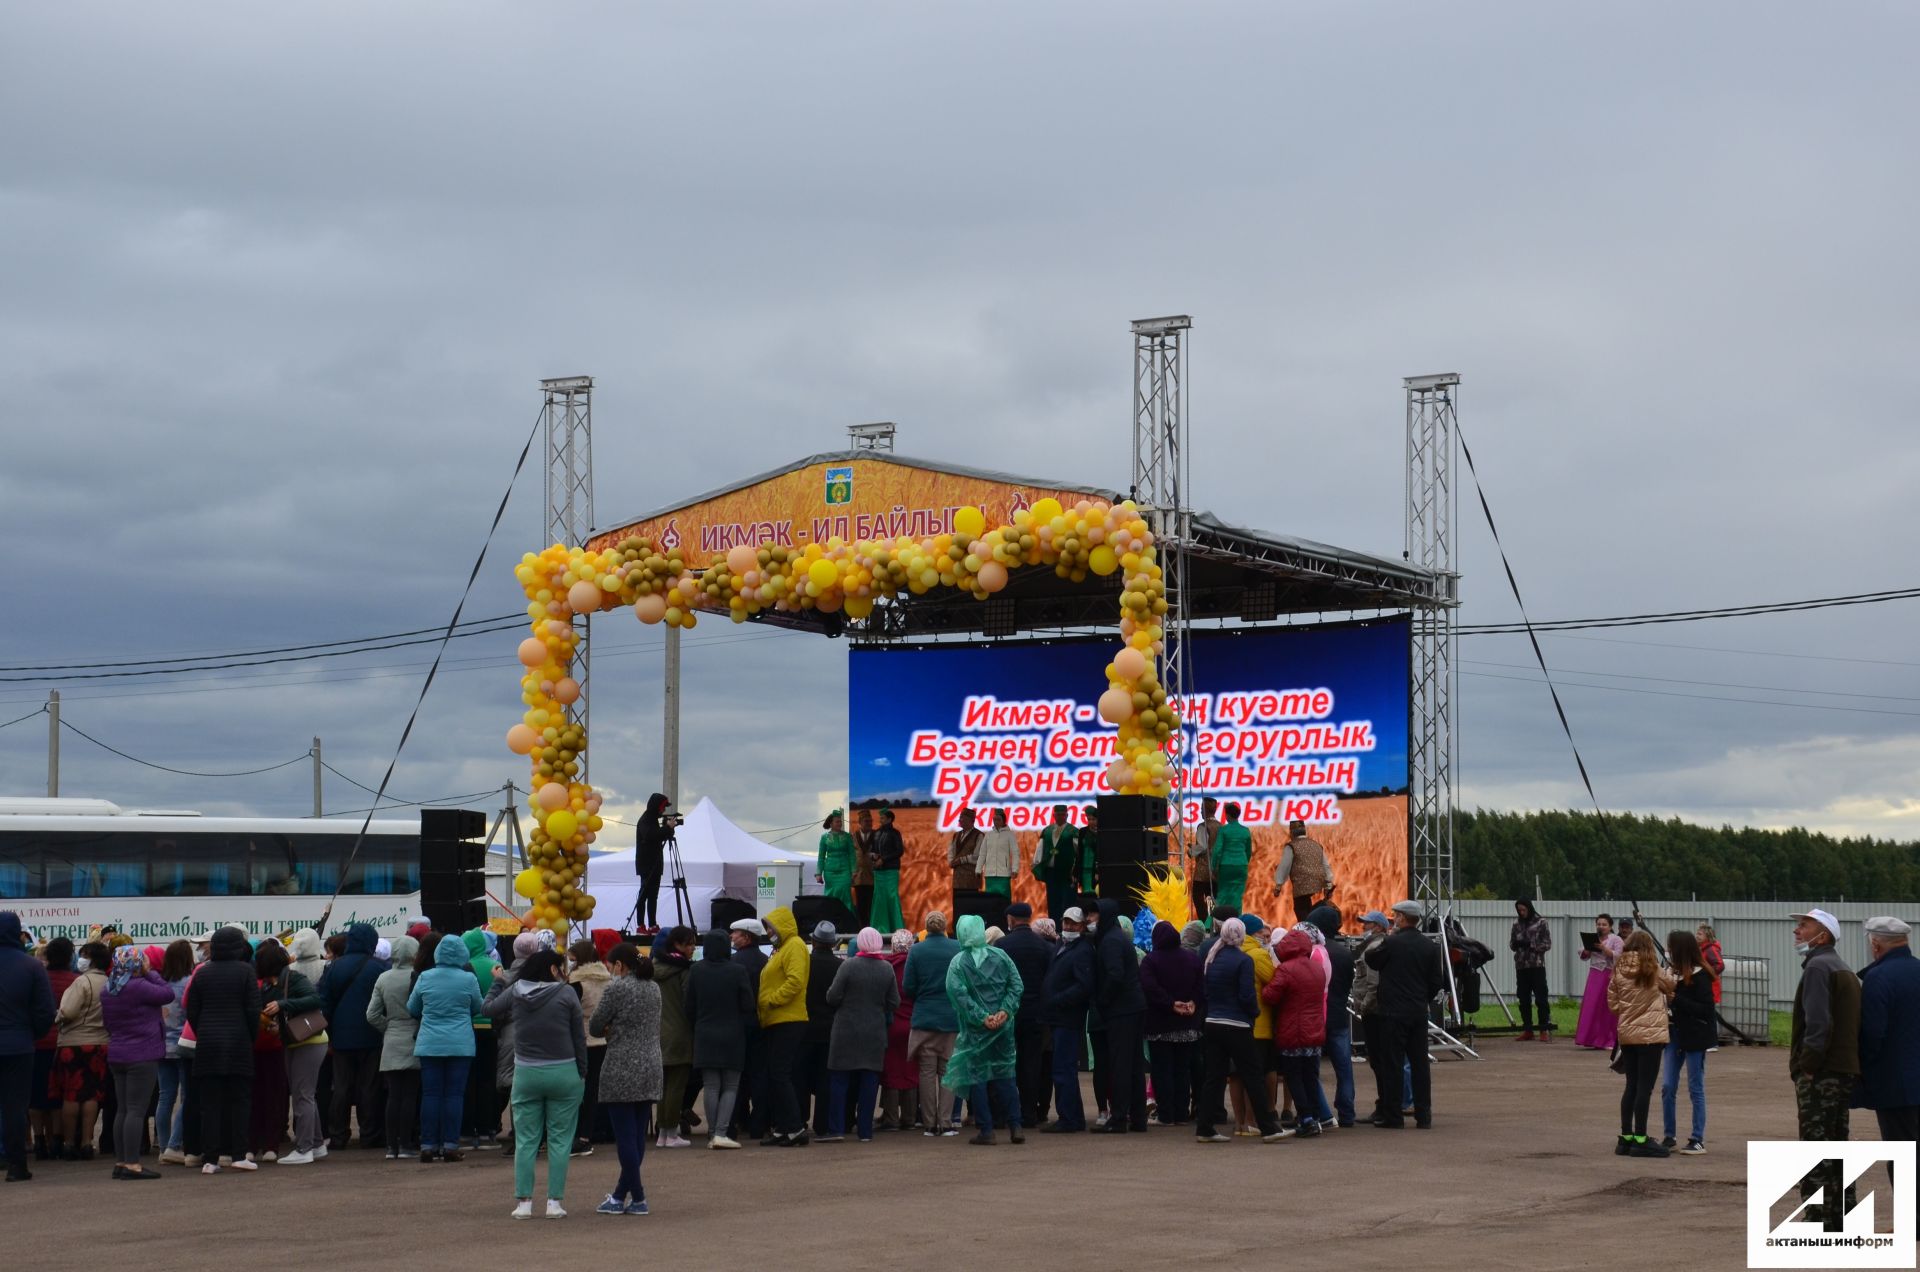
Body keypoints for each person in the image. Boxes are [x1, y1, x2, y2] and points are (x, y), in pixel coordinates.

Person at [486, 948, 589, 1219]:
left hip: (527, 1073)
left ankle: (524, 1203)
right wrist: (582, 1071)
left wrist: (498, 982)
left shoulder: (517, 990)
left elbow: (488, 1009)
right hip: (564, 1071)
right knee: (559, 1140)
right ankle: (554, 1202)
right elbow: (579, 1036)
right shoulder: (566, 993)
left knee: (526, 1140)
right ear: (554, 969)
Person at [1788, 907, 1861, 1220]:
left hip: (1822, 1072)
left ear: (1823, 934)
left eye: (1804, 925)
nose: (1797, 931)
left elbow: (1819, 1023)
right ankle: (1841, 1210)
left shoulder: (1818, 967)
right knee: (1836, 1143)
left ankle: (1817, 1215)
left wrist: (1808, 1064)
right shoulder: (1840, 967)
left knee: (1816, 1145)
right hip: (1842, 1069)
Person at [1193, 919, 1284, 1143]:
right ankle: (1268, 1128)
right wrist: (1253, 1014)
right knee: (1253, 1076)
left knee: (1214, 1077)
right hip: (1238, 1025)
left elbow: (1205, 991)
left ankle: (1204, 1127)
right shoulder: (1243, 960)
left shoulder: (1212, 958)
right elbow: (1246, 995)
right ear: (1242, 935)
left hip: (1213, 1021)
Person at [1857, 916, 1920, 1235]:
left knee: (1901, 1153)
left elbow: (1873, 1034)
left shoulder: (1879, 978)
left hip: (1896, 1085)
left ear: (1875, 943)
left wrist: (1861, 1069)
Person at [589, 942, 661, 1216]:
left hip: (621, 1064)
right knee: (637, 1135)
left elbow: (595, 1025)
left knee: (625, 1138)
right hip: (651, 1063)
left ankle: (639, 1197)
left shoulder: (617, 988)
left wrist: (610, 1027)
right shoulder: (654, 987)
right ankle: (620, 1196)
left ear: (620, 965)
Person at [941, 914, 1024, 1145]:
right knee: (1006, 1076)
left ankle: (986, 1130)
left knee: (977, 1078)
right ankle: (1015, 1126)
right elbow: (1016, 985)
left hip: (975, 1030)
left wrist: (981, 1018)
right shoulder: (1000, 956)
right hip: (1003, 1028)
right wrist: (1005, 1011)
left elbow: (957, 994)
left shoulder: (958, 962)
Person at [186, 927, 261, 1173]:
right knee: (240, 1100)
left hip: (207, 1044)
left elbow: (192, 1011)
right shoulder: (246, 971)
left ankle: (210, 1159)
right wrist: (250, 1036)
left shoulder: (202, 973)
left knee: (209, 1104)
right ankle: (238, 1154)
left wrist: (204, 1033)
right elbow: (253, 1010)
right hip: (238, 1042)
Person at [1365, 901, 1444, 1129]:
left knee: (1393, 1063)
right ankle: (1424, 1115)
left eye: (1395, 916)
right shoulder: (1429, 946)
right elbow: (1436, 981)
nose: (1394, 919)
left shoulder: (1391, 943)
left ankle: (1393, 1115)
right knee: (1420, 1064)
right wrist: (1421, 999)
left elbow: (1372, 959)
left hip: (1393, 1012)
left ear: (1401, 918)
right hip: (1418, 1012)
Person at [408, 932, 483, 1164]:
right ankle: (450, 1145)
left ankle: (428, 1145)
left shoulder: (425, 977)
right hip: (460, 1044)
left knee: (431, 1094)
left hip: (430, 1043)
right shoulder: (468, 978)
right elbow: (478, 1007)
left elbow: (412, 1008)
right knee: (454, 1095)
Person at [100, 946, 172, 1180]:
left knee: (122, 1109)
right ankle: (132, 1164)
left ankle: (121, 1161)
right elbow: (167, 993)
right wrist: (150, 972)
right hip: (142, 1053)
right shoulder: (140, 986)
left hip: (118, 1052)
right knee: (136, 1111)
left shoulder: (109, 988)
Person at [823, 927, 900, 1142]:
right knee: (869, 1081)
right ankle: (865, 1131)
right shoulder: (886, 969)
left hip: (845, 1030)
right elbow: (895, 1002)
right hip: (874, 1031)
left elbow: (833, 996)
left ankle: (837, 1128)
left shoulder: (848, 966)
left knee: (839, 1080)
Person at [318, 921, 387, 1149]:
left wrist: (327, 1033)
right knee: (369, 1087)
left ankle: (337, 1135)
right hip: (373, 1036)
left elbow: (324, 1004)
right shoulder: (380, 967)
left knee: (341, 1088)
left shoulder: (334, 968)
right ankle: (369, 1135)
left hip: (340, 1037)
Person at [1607, 928, 1675, 1157]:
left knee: (1632, 1085)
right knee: (1645, 1088)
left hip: (1627, 1035)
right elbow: (1671, 987)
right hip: (1651, 1036)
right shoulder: (1652, 968)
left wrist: (1629, 1012)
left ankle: (1625, 1138)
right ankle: (1641, 1138)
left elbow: (1613, 1004)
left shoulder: (1618, 970)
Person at [683, 928, 752, 1150]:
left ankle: (712, 1132)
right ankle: (722, 1132)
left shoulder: (697, 970)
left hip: (704, 1033)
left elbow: (688, 1006)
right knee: (731, 1086)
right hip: (733, 1034)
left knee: (710, 1086)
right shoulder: (738, 970)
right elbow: (748, 1004)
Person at [0, 913, 55, 1182]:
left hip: (17, 1039)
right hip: (19, 1045)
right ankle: (16, 1165)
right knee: (15, 1106)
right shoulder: (32, 966)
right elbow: (45, 1011)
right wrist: (31, 1034)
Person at [1261, 927, 1327, 1138]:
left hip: (1293, 1030)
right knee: (1311, 1075)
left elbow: (1270, 996)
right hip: (1314, 1029)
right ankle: (1314, 1118)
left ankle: (1306, 1118)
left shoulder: (1286, 970)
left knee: (1294, 1076)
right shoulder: (1317, 968)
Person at [755, 906, 811, 1147]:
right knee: (775, 1075)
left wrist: (771, 1000)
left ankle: (795, 1127)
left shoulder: (794, 946)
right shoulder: (781, 949)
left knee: (780, 1074)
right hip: (777, 1019)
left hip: (788, 1019)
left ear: (781, 926)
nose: (768, 932)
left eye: (770, 927)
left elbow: (795, 981)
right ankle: (783, 1128)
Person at [1091, 897, 1148, 1133]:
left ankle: (1119, 1117)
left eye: (1093, 915)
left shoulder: (1110, 942)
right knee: (1134, 1065)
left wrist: (1103, 1001)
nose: (1089, 920)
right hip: (1132, 1007)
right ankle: (1137, 1117)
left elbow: (1114, 975)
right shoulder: (1117, 938)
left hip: (1121, 1009)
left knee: (1121, 1064)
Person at [52, 939, 112, 1161]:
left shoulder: (82, 982)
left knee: (71, 1095)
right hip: (100, 1042)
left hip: (74, 1042)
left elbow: (67, 1011)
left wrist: (56, 1016)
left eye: (84, 955)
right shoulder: (110, 982)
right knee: (91, 1095)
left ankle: (69, 1143)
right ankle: (87, 1142)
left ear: (92, 959)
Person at [1140, 919, 1204, 1125]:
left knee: (1162, 1071)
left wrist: (1170, 1004)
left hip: (1160, 1025)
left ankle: (1166, 1114)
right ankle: (1181, 1114)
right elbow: (1201, 985)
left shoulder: (1151, 960)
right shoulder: (1192, 959)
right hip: (1187, 1024)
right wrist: (1193, 1003)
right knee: (1182, 1071)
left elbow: (1149, 987)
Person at [903, 910, 961, 1136]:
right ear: (945, 927)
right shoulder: (957, 948)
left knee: (926, 1072)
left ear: (927, 928)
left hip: (925, 1017)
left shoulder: (916, 950)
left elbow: (908, 987)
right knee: (948, 1072)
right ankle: (946, 1123)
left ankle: (929, 1124)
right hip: (950, 1018)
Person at [996, 902, 1052, 1128]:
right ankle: (1029, 1113)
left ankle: (1007, 1113)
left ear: (1010, 919)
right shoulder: (1044, 946)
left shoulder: (1002, 945)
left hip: (1009, 1013)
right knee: (1031, 1064)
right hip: (1036, 1013)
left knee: (1006, 1062)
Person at [1039, 908, 1095, 1133]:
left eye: (1074, 924)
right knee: (1062, 1068)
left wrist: (1059, 999)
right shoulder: (1061, 945)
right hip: (1058, 1016)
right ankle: (1072, 1116)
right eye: (1066, 922)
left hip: (1068, 1018)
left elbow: (1084, 986)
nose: (1069, 927)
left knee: (1064, 1069)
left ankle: (1069, 1119)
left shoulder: (1082, 950)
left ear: (1082, 926)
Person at [365, 934, 420, 1162]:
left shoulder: (383, 978)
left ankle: (391, 1146)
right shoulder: (418, 976)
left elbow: (371, 1014)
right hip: (415, 1037)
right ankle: (406, 1143)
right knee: (410, 1095)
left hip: (391, 1038)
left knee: (393, 1095)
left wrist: (388, 1027)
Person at [1660, 929, 1714, 1155]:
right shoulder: (1671, 973)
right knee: (1667, 1086)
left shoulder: (1701, 976)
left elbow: (1706, 1010)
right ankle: (1669, 1135)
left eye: (1671, 947)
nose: (1668, 951)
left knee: (1695, 1087)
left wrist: (1676, 999)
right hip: (1673, 1035)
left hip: (1695, 1037)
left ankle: (1697, 1138)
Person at [1306, 905, 1357, 1128]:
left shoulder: (1311, 953)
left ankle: (1321, 1112)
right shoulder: (1345, 955)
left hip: (1316, 1017)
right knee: (1344, 1069)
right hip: (1338, 1017)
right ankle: (1347, 1113)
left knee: (1312, 1068)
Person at [30, 937, 78, 1163]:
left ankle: (39, 1140)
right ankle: (57, 1140)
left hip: (37, 1042)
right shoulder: (75, 981)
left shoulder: (39, 979)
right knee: (59, 1094)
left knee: (36, 1096)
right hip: (64, 1042)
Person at [246, 940, 295, 1163]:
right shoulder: (283, 986)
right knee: (276, 1096)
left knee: (252, 1096)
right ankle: (271, 1145)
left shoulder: (252, 984)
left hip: (251, 1046)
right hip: (276, 1046)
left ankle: (250, 1144)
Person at [650, 927, 695, 1148]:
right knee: (676, 1086)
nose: (692, 948)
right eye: (688, 944)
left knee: (662, 1087)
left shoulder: (653, 969)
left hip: (657, 1033)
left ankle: (662, 1135)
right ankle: (671, 1133)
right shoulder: (684, 971)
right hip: (680, 1032)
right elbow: (689, 1003)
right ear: (676, 944)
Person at [567, 940, 612, 1156]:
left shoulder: (576, 983)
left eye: (573, 959)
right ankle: (587, 1134)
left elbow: (569, 1013)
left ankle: (576, 1134)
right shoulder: (607, 979)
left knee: (575, 1090)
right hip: (602, 1041)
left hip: (579, 1041)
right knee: (593, 1089)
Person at [727, 919, 770, 1141]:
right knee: (759, 1075)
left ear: (747, 936)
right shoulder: (766, 962)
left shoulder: (733, 963)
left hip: (737, 1025)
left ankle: (738, 1119)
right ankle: (759, 1123)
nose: (731, 936)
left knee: (736, 1076)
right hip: (761, 1024)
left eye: (735, 933)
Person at [154, 939, 194, 1165]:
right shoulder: (189, 982)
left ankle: (163, 1145)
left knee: (165, 1097)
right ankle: (174, 1144)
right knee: (186, 1098)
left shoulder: (159, 984)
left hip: (162, 1045)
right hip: (184, 1045)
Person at [801, 922, 842, 1137]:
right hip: (830, 1029)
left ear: (814, 941)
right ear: (833, 943)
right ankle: (823, 1124)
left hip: (805, 1027)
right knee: (826, 1079)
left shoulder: (805, 963)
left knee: (801, 1078)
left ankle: (799, 1120)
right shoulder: (839, 965)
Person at [462, 928, 501, 1150]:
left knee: (469, 1082)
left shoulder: (466, 968)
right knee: (488, 1082)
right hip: (492, 1029)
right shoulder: (496, 966)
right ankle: (488, 1131)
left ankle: (467, 1131)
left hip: (470, 1028)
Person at [880, 930, 919, 1131]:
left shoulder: (886, 966)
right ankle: (910, 1119)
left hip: (891, 1025)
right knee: (911, 1071)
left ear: (894, 946)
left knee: (892, 1071)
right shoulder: (916, 966)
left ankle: (891, 1118)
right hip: (913, 1024)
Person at [1573, 913, 1623, 1050]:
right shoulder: (1593, 938)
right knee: (1592, 1006)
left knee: (1606, 1007)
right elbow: (1583, 956)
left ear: (1610, 926)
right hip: (1594, 975)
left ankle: (1608, 1039)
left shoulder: (1616, 939)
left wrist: (1604, 948)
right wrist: (1588, 950)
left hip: (1609, 975)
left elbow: (1620, 956)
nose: (1601, 926)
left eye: (1604, 924)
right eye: (1599, 924)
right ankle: (1590, 1038)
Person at [1275, 819, 1334, 923]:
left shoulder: (1291, 846)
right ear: (1304, 831)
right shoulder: (1316, 845)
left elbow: (1284, 867)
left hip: (1301, 885)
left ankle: (1306, 931)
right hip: (1318, 884)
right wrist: (1328, 885)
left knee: (1300, 909)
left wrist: (1278, 885)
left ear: (1291, 832)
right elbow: (1326, 866)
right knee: (1310, 908)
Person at [1510, 900, 1553, 1042]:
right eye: (1519, 910)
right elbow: (1512, 944)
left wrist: (1531, 944)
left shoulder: (1541, 922)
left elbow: (1547, 944)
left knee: (1541, 998)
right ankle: (1527, 1028)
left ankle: (1543, 1028)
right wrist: (1516, 944)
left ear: (1529, 908)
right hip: (1521, 965)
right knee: (1523, 999)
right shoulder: (1516, 924)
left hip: (1536, 965)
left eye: (1523, 910)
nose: (1521, 912)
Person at [634, 793, 674, 934]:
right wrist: (667, 828)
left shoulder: (651, 820)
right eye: (663, 807)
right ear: (657, 806)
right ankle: (640, 925)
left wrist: (668, 829)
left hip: (654, 864)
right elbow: (651, 836)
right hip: (647, 865)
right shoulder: (645, 820)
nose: (663, 811)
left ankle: (652, 924)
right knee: (644, 894)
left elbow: (659, 836)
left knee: (653, 895)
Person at [1033, 805, 1080, 921]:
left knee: (1068, 901)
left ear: (1067, 815)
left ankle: (1070, 925)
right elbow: (1040, 849)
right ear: (1054, 815)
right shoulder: (1047, 831)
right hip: (1051, 873)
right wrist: (1036, 864)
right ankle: (1054, 927)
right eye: (1058, 814)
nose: (1060, 817)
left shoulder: (1073, 831)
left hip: (1067, 873)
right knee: (1053, 901)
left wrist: (1076, 871)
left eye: (1062, 814)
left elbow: (1079, 852)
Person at [868, 809, 907, 933]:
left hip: (890, 871)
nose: (880, 820)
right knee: (879, 899)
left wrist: (883, 859)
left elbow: (899, 851)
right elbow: (872, 848)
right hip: (879, 872)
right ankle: (879, 929)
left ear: (890, 819)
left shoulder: (895, 833)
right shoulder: (877, 833)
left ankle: (897, 928)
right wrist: (873, 856)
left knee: (891, 897)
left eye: (883, 818)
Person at [1212, 804, 1251, 914]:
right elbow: (1248, 851)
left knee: (1223, 895)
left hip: (1226, 866)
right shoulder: (1245, 831)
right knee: (1237, 896)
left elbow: (1217, 850)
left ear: (1228, 815)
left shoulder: (1224, 830)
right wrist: (1243, 862)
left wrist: (1214, 867)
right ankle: (1236, 921)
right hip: (1241, 866)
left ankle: (1222, 923)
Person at [817, 810, 857, 914]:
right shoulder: (824, 838)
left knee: (845, 895)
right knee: (831, 895)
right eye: (837, 822)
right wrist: (818, 873)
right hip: (830, 872)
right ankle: (830, 920)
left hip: (845, 871)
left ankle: (847, 922)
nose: (840, 824)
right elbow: (821, 857)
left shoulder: (847, 837)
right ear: (831, 823)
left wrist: (854, 871)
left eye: (840, 821)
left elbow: (852, 854)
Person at [978, 808, 1019, 899]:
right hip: (989, 874)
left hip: (1003, 874)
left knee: (1003, 898)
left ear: (1003, 820)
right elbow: (983, 853)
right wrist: (978, 869)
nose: (996, 822)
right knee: (990, 899)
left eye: (998, 819)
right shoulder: (988, 835)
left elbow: (1015, 853)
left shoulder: (1009, 835)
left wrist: (1015, 869)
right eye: (994, 819)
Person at [1188, 798, 1218, 921]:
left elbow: (1202, 846)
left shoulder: (1202, 826)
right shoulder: (1221, 826)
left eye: (1201, 808)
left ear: (1206, 810)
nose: (1200, 811)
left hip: (1203, 872)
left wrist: (1190, 851)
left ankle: (1206, 925)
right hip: (1216, 871)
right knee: (1213, 900)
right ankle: (1214, 925)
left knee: (1198, 898)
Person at [948, 807, 984, 900]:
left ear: (971, 820)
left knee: (971, 905)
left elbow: (978, 856)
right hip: (958, 879)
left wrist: (961, 860)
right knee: (958, 905)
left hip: (971, 880)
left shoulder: (979, 835)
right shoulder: (956, 835)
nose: (959, 819)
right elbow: (951, 850)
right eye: (960, 817)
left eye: (962, 817)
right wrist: (951, 861)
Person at [850, 808, 877, 929]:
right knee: (860, 903)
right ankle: (862, 927)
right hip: (859, 876)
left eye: (870, 821)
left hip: (873, 875)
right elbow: (850, 855)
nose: (869, 823)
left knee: (872, 903)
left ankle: (872, 927)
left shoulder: (876, 835)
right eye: (866, 821)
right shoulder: (853, 836)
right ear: (860, 822)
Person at [1079, 807, 1100, 894]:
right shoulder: (1083, 831)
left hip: (1095, 869)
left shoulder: (1103, 832)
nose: (1091, 821)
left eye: (1094, 819)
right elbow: (1079, 852)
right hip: (1084, 869)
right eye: (1089, 819)